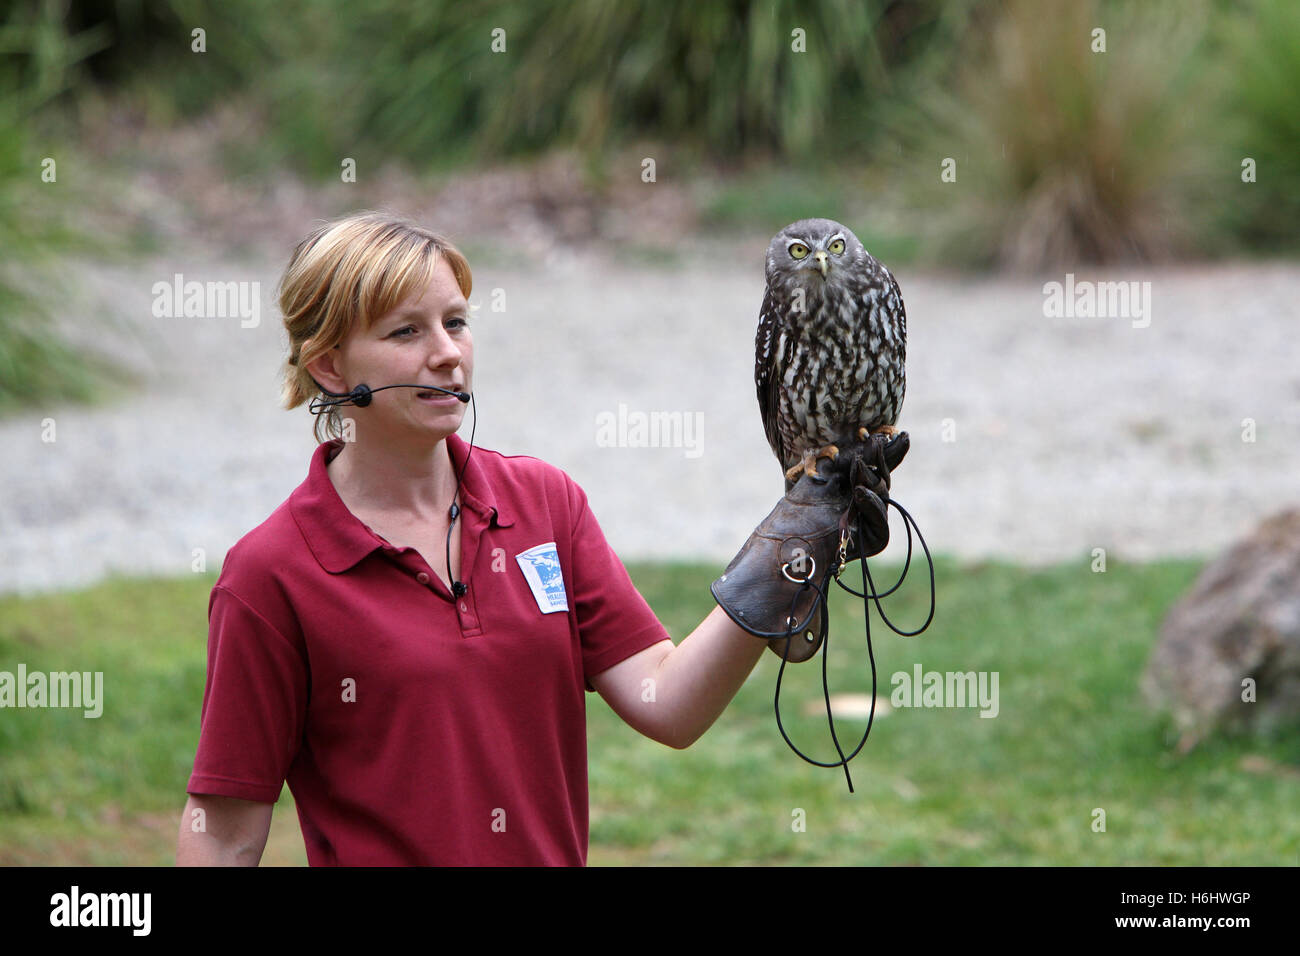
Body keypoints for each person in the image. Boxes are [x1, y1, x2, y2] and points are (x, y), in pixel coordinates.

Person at [175, 211, 895, 866]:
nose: (447, 354)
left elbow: (667, 702)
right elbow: (225, 835)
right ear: (330, 366)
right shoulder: (273, 575)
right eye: (406, 332)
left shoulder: (543, 504)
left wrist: (791, 547)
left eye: (455, 323)